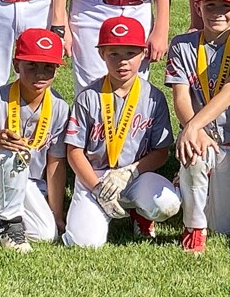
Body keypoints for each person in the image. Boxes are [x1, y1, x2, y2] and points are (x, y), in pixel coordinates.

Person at [62, 16, 181, 249]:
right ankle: (100, 208)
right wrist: (97, 188)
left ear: (143, 54)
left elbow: (161, 152)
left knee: (168, 203)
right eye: (114, 53)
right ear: (101, 54)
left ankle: (141, 213)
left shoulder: (153, 98)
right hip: (94, 176)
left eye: (130, 53)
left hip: (133, 175)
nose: (122, 62)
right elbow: (74, 151)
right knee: (84, 244)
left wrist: (130, 172)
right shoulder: (88, 97)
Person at [166, 0, 230, 255]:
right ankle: (194, 227)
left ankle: (189, 183)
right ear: (197, 8)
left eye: (226, 6)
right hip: (202, 138)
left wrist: (193, 126)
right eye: (210, 6)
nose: (218, 13)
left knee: (223, 227)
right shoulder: (181, 44)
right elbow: (180, 96)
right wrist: (195, 130)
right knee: (194, 152)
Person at [0, 28, 71, 253]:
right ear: (16, 65)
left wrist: (57, 214)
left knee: (45, 234)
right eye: (31, 66)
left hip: (29, 183)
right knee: (12, 150)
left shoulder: (60, 107)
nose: (40, 75)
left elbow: (55, 163)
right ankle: (7, 226)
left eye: (48, 68)